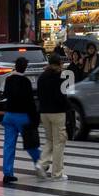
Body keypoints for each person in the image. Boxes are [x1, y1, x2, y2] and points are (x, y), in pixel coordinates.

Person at [0, 56, 42, 184]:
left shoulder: (9, 79)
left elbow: (6, 95)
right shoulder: (26, 82)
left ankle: (7, 173)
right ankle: (40, 162)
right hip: (22, 116)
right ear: (25, 68)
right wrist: (35, 118)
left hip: (9, 116)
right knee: (30, 142)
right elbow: (30, 102)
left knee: (8, 145)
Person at [36, 53, 71, 181]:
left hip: (44, 113)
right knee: (59, 142)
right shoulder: (60, 77)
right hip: (57, 113)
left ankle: (41, 163)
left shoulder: (42, 77)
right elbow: (62, 96)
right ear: (59, 64)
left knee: (50, 140)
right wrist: (69, 107)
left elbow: (39, 94)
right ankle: (57, 173)